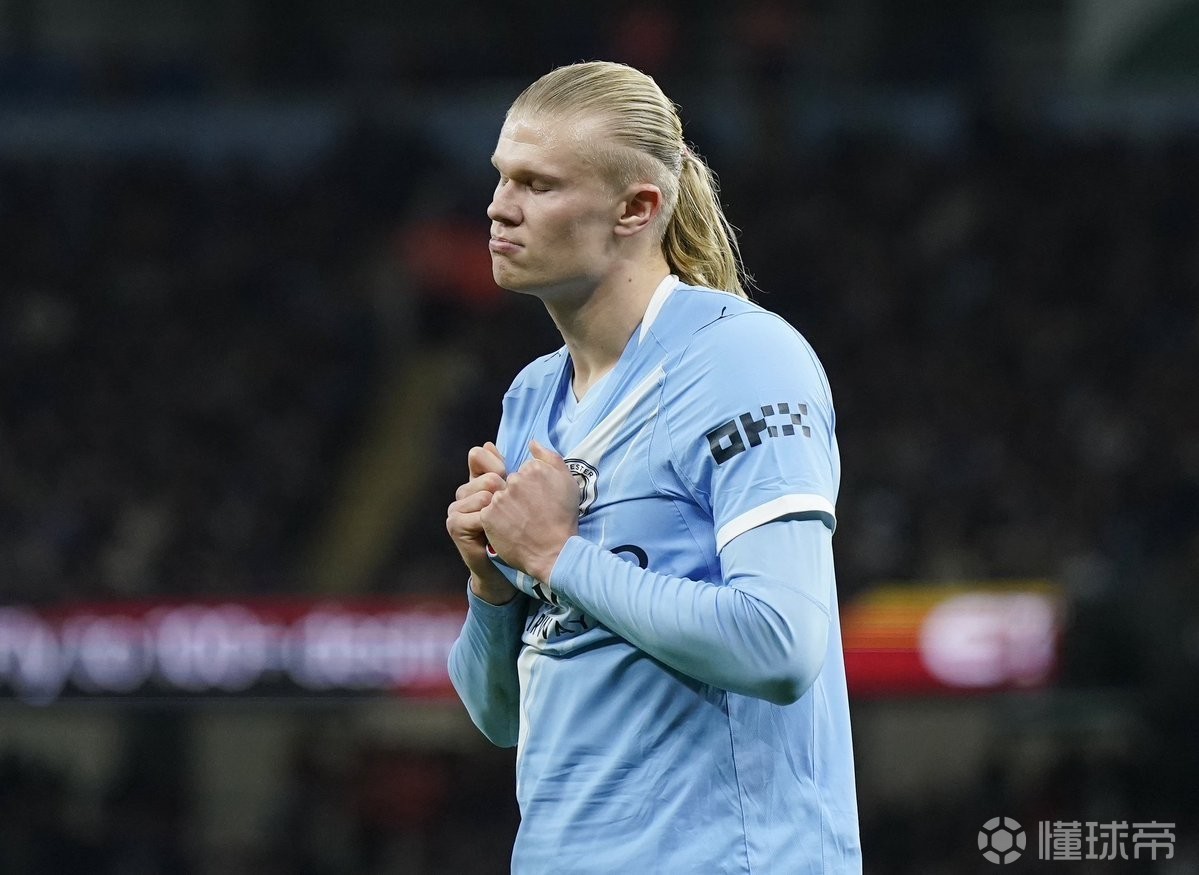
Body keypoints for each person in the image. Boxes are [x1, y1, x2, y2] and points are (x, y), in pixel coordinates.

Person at [446, 61, 861, 873]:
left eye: (536, 183)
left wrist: (556, 554)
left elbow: (779, 644)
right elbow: (499, 718)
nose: (498, 206)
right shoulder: (531, 397)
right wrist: (490, 584)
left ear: (635, 209)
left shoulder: (740, 359)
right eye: (500, 176)